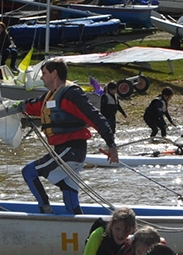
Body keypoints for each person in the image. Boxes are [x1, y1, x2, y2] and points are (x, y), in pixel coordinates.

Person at [21, 58, 119, 214]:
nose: (41, 77)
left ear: (54, 74)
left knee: (29, 172)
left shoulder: (72, 94)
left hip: (71, 151)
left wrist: (111, 145)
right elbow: (31, 106)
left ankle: (44, 212)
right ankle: (78, 224)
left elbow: (96, 118)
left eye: (44, 73)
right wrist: (9, 107)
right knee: (69, 196)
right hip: (67, 152)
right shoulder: (51, 96)